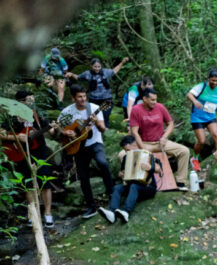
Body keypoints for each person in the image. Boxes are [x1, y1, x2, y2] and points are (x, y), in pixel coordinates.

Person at [0, 90, 59, 228]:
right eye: (29, 100)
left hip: (40, 153)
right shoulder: (12, 117)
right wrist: (16, 138)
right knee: (28, 184)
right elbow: (1, 133)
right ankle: (34, 214)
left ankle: (48, 214)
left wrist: (55, 128)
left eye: (32, 100)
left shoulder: (37, 115)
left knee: (45, 181)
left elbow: (51, 132)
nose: (32, 103)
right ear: (20, 102)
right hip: (22, 153)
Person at [58, 84, 114, 219]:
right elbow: (58, 126)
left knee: (103, 163)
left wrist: (96, 123)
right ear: (73, 98)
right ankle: (91, 206)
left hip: (94, 142)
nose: (83, 99)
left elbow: (103, 129)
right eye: (79, 97)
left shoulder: (94, 108)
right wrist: (66, 132)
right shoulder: (67, 112)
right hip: (78, 147)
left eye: (84, 96)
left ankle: (112, 194)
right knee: (83, 177)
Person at [129, 87, 190, 191]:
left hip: (160, 142)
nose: (155, 102)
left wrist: (165, 137)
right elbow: (134, 132)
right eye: (152, 100)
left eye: (156, 99)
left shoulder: (160, 107)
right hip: (144, 143)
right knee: (123, 154)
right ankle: (138, 184)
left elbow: (170, 124)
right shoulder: (136, 110)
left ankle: (180, 182)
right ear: (144, 98)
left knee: (184, 151)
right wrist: (144, 149)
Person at [98, 135, 158, 224]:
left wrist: (149, 168)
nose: (127, 153)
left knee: (134, 186)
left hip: (148, 188)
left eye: (128, 150)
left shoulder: (147, 154)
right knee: (117, 188)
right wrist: (121, 174)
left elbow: (156, 169)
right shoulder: (126, 158)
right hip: (132, 188)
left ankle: (126, 212)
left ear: (135, 145)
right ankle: (112, 213)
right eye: (125, 151)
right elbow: (122, 173)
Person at [67, 57, 129, 129]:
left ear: (101, 66)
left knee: (105, 117)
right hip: (94, 99)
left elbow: (114, 71)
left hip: (106, 99)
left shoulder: (106, 72)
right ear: (91, 66)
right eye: (95, 67)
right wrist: (71, 74)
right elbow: (78, 77)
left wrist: (122, 63)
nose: (97, 68)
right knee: (93, 117)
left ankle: (105, 132)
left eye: (98, 67)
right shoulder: (87, 74)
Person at [187, 69, 217, 172]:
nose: (214, 83)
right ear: (208, 79)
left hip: (210, 117)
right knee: (202, 141)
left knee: (216, 135)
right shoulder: (201, 86)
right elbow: (189, 94)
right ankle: (194, 158)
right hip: (197, 117)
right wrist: (195, 101)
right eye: (213, 80)